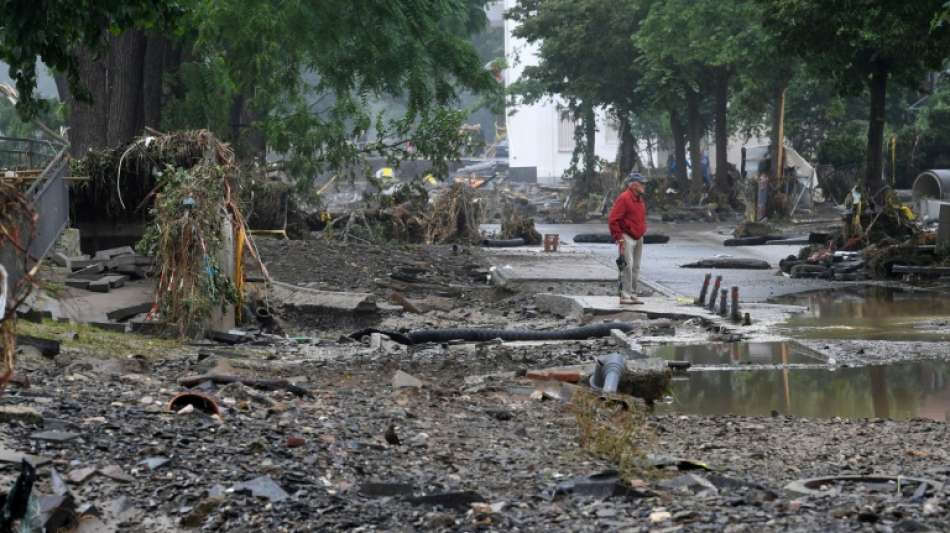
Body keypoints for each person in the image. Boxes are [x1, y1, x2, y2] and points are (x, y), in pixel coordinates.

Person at [608, 172, 648, 305]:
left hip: (638, 236)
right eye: (641, 183)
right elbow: (613, 219)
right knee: (627, 266)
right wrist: (618, 238)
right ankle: (625, 295)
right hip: (626, 236)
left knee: (636, 266)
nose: (644, 186)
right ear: (634, 185)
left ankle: (633, 293)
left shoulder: (639, 199)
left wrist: (642, 231)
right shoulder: (624, 198)